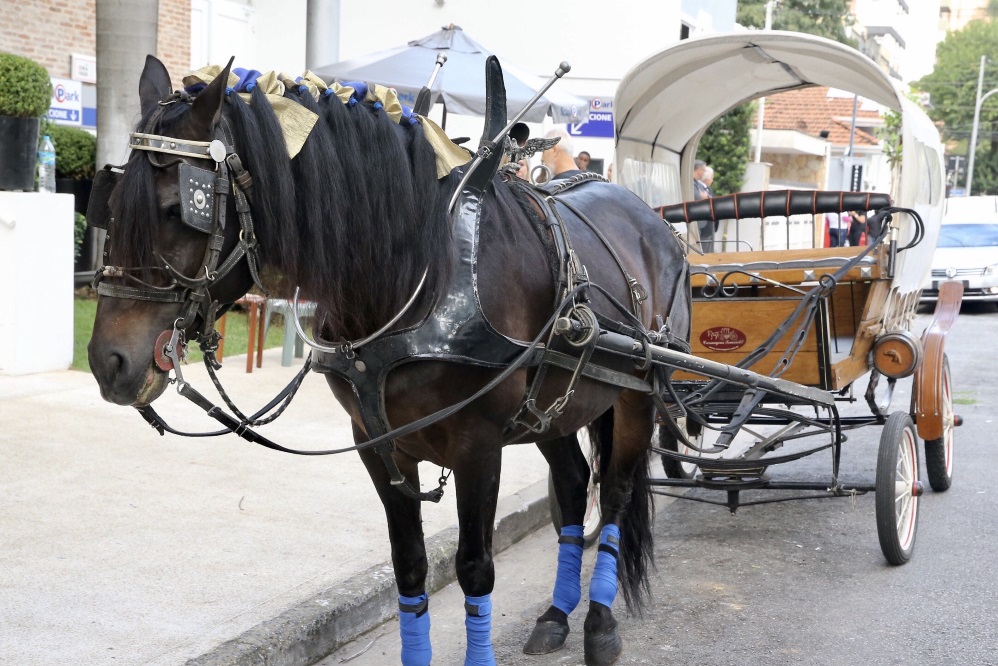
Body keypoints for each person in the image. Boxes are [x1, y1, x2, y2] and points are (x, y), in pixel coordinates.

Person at [693, 160, 715, 251]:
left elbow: (708, 197)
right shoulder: (692, 183)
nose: (704, 173)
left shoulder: (698, 184)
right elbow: (698, 197)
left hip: (705, 223)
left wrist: (706, 197)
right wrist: (705, 197)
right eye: (704, 170)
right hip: (699, 222)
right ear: (699, 170)